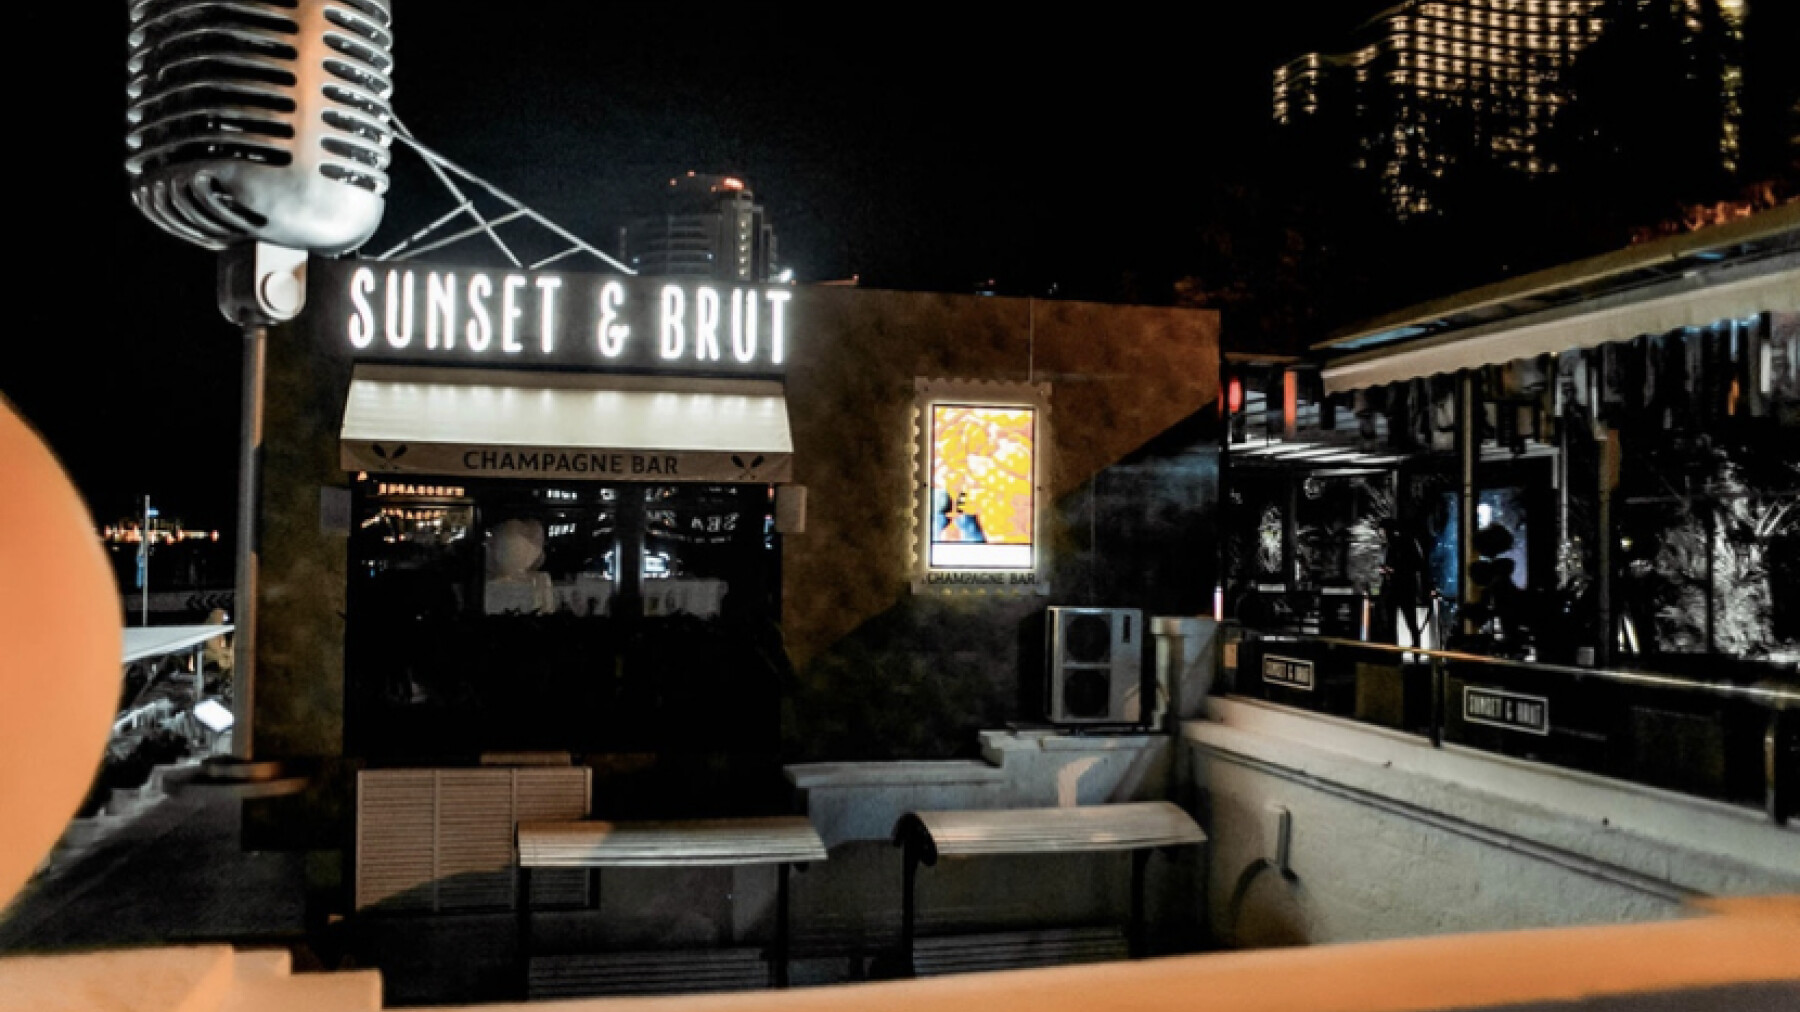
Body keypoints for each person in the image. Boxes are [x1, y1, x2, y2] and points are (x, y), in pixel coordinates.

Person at [1378, 518, 1428, 648]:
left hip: (1404, 587)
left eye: (1382, 531)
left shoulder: (1405, 542)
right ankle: (1397, 650)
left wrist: (1395, 570)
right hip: (1394, 587)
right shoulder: (1389, 545)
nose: (1380, 534)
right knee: (1394, 622)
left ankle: (1414, 649)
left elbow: (1416, 564)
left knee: (1409, 620)